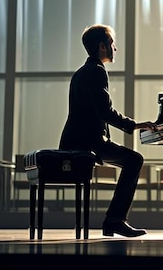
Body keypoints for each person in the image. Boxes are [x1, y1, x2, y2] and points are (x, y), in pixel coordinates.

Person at [59, 24, 157, 237]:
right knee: (134, 160)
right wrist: (135, 125)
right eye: (113, 44)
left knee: (130, 160)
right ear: (102, 47)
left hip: (76, 140)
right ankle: (114, 219)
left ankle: (114, 220)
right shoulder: (96, 72)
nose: (116, 49)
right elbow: (105, 111)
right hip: (88, 141)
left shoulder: (81, 72)